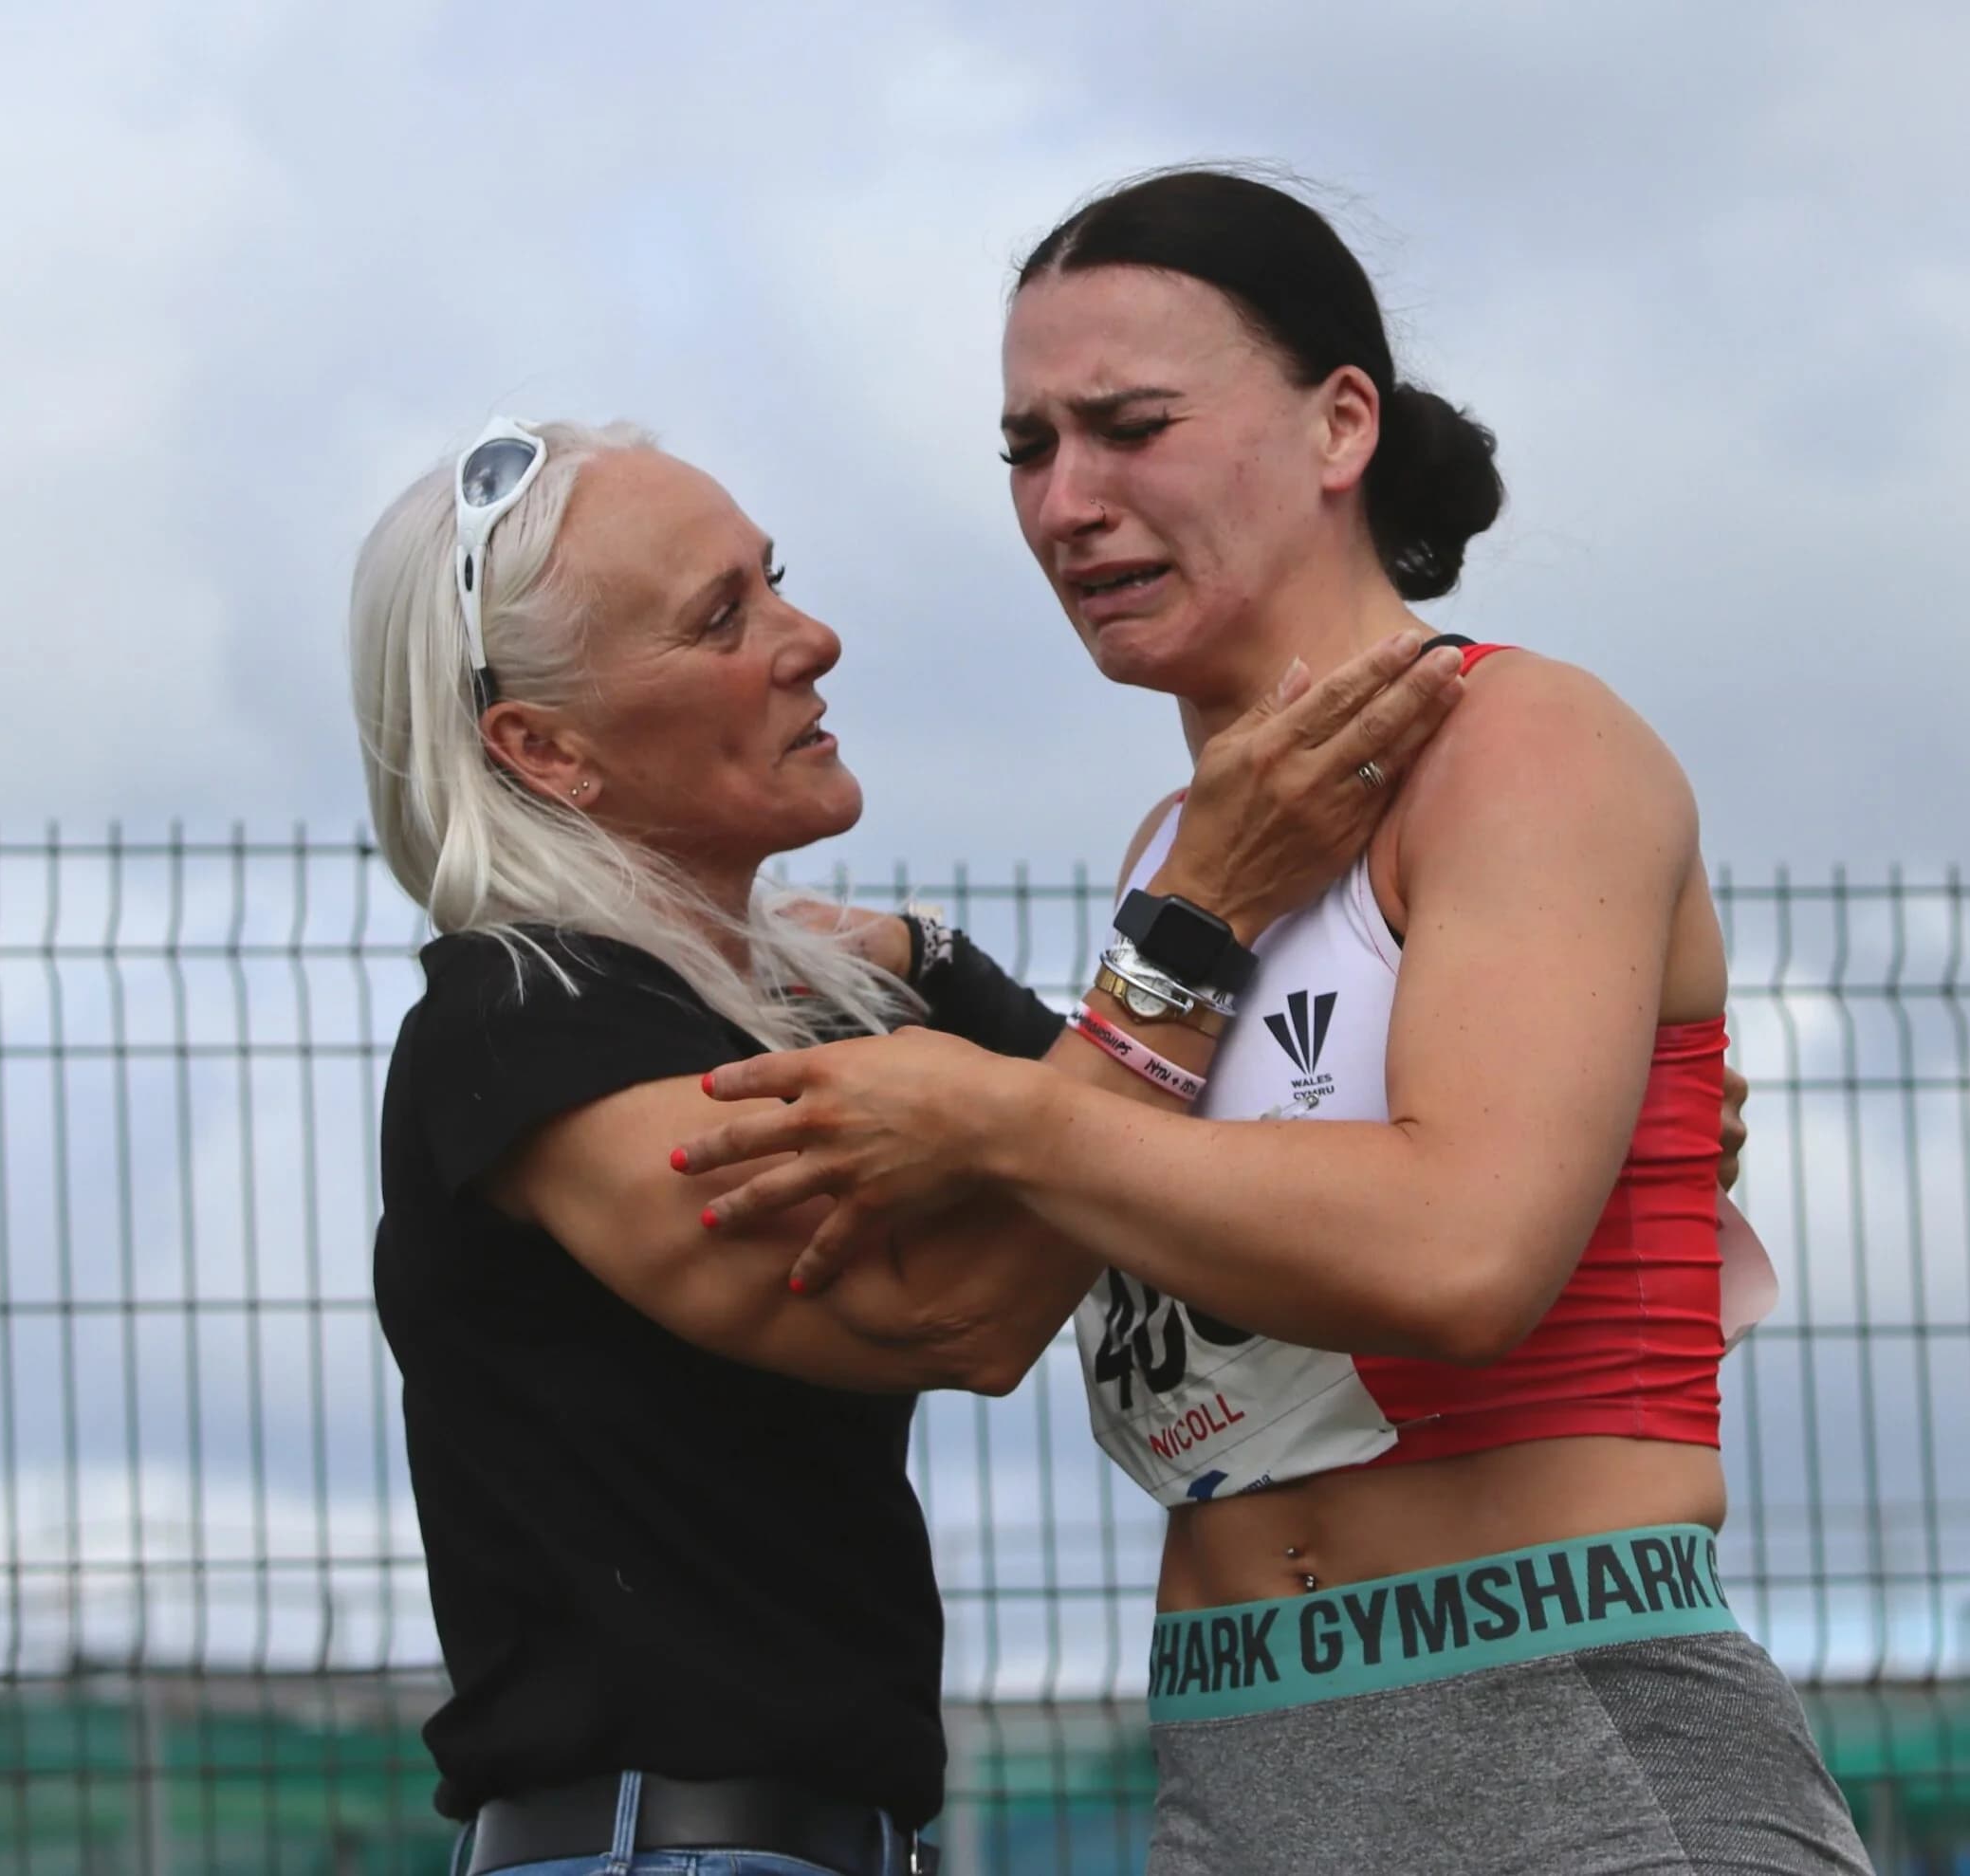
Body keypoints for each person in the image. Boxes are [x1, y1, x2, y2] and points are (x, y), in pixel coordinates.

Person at [674, 170, 1867, 1872]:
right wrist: (934, 978)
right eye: (1027, 449)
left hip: (1563, 1726)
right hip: (1234, 1750)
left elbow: (1466, 1255)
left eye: (1131, 426)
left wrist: (994, 1116)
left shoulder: (1530, 743)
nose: (1068, 503)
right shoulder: (1178, 862)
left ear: (1341, 425)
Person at [348, 413, 1471, 1875]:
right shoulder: (521, 1017)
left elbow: (1159, 1150)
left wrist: (1522, 1109)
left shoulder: (757, 1017)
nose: (809, 638)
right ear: (544, 749)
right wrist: (1195, 913)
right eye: (720, 618)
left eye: (775, 579)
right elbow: (956, 1302)